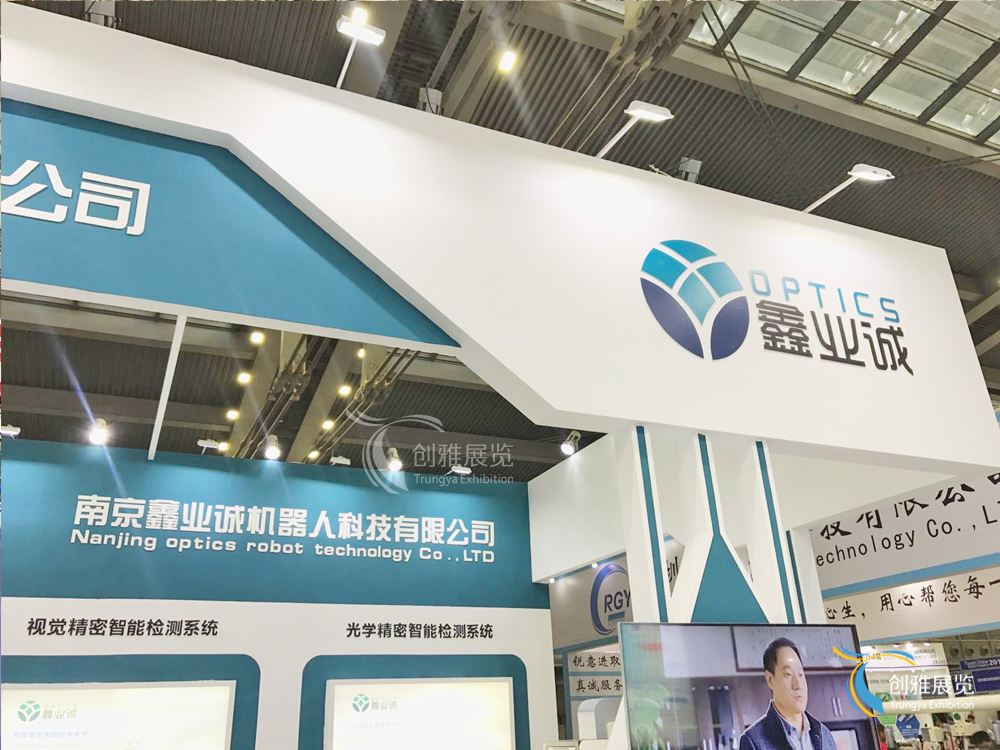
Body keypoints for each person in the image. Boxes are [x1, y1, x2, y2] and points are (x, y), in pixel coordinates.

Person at [738, 638, 837, 750]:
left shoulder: (824, 734)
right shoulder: (753, 741)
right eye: (788, 674)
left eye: (800, 674)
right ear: (770, 679)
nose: (798, 685)